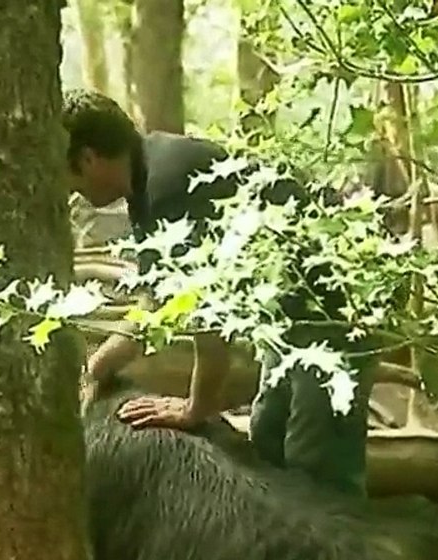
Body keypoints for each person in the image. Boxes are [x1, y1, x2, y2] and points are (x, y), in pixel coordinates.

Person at [64, 89, 376, 496]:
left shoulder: (168, 185)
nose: (73, 191)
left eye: (69, 176)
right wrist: (96, 368)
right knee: (267, 443)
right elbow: (157, 303)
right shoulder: (148, 180)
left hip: (336, 310)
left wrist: (196, 408)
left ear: (88, 158)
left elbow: (206, 322)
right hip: (288, 321)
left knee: (317, 468)